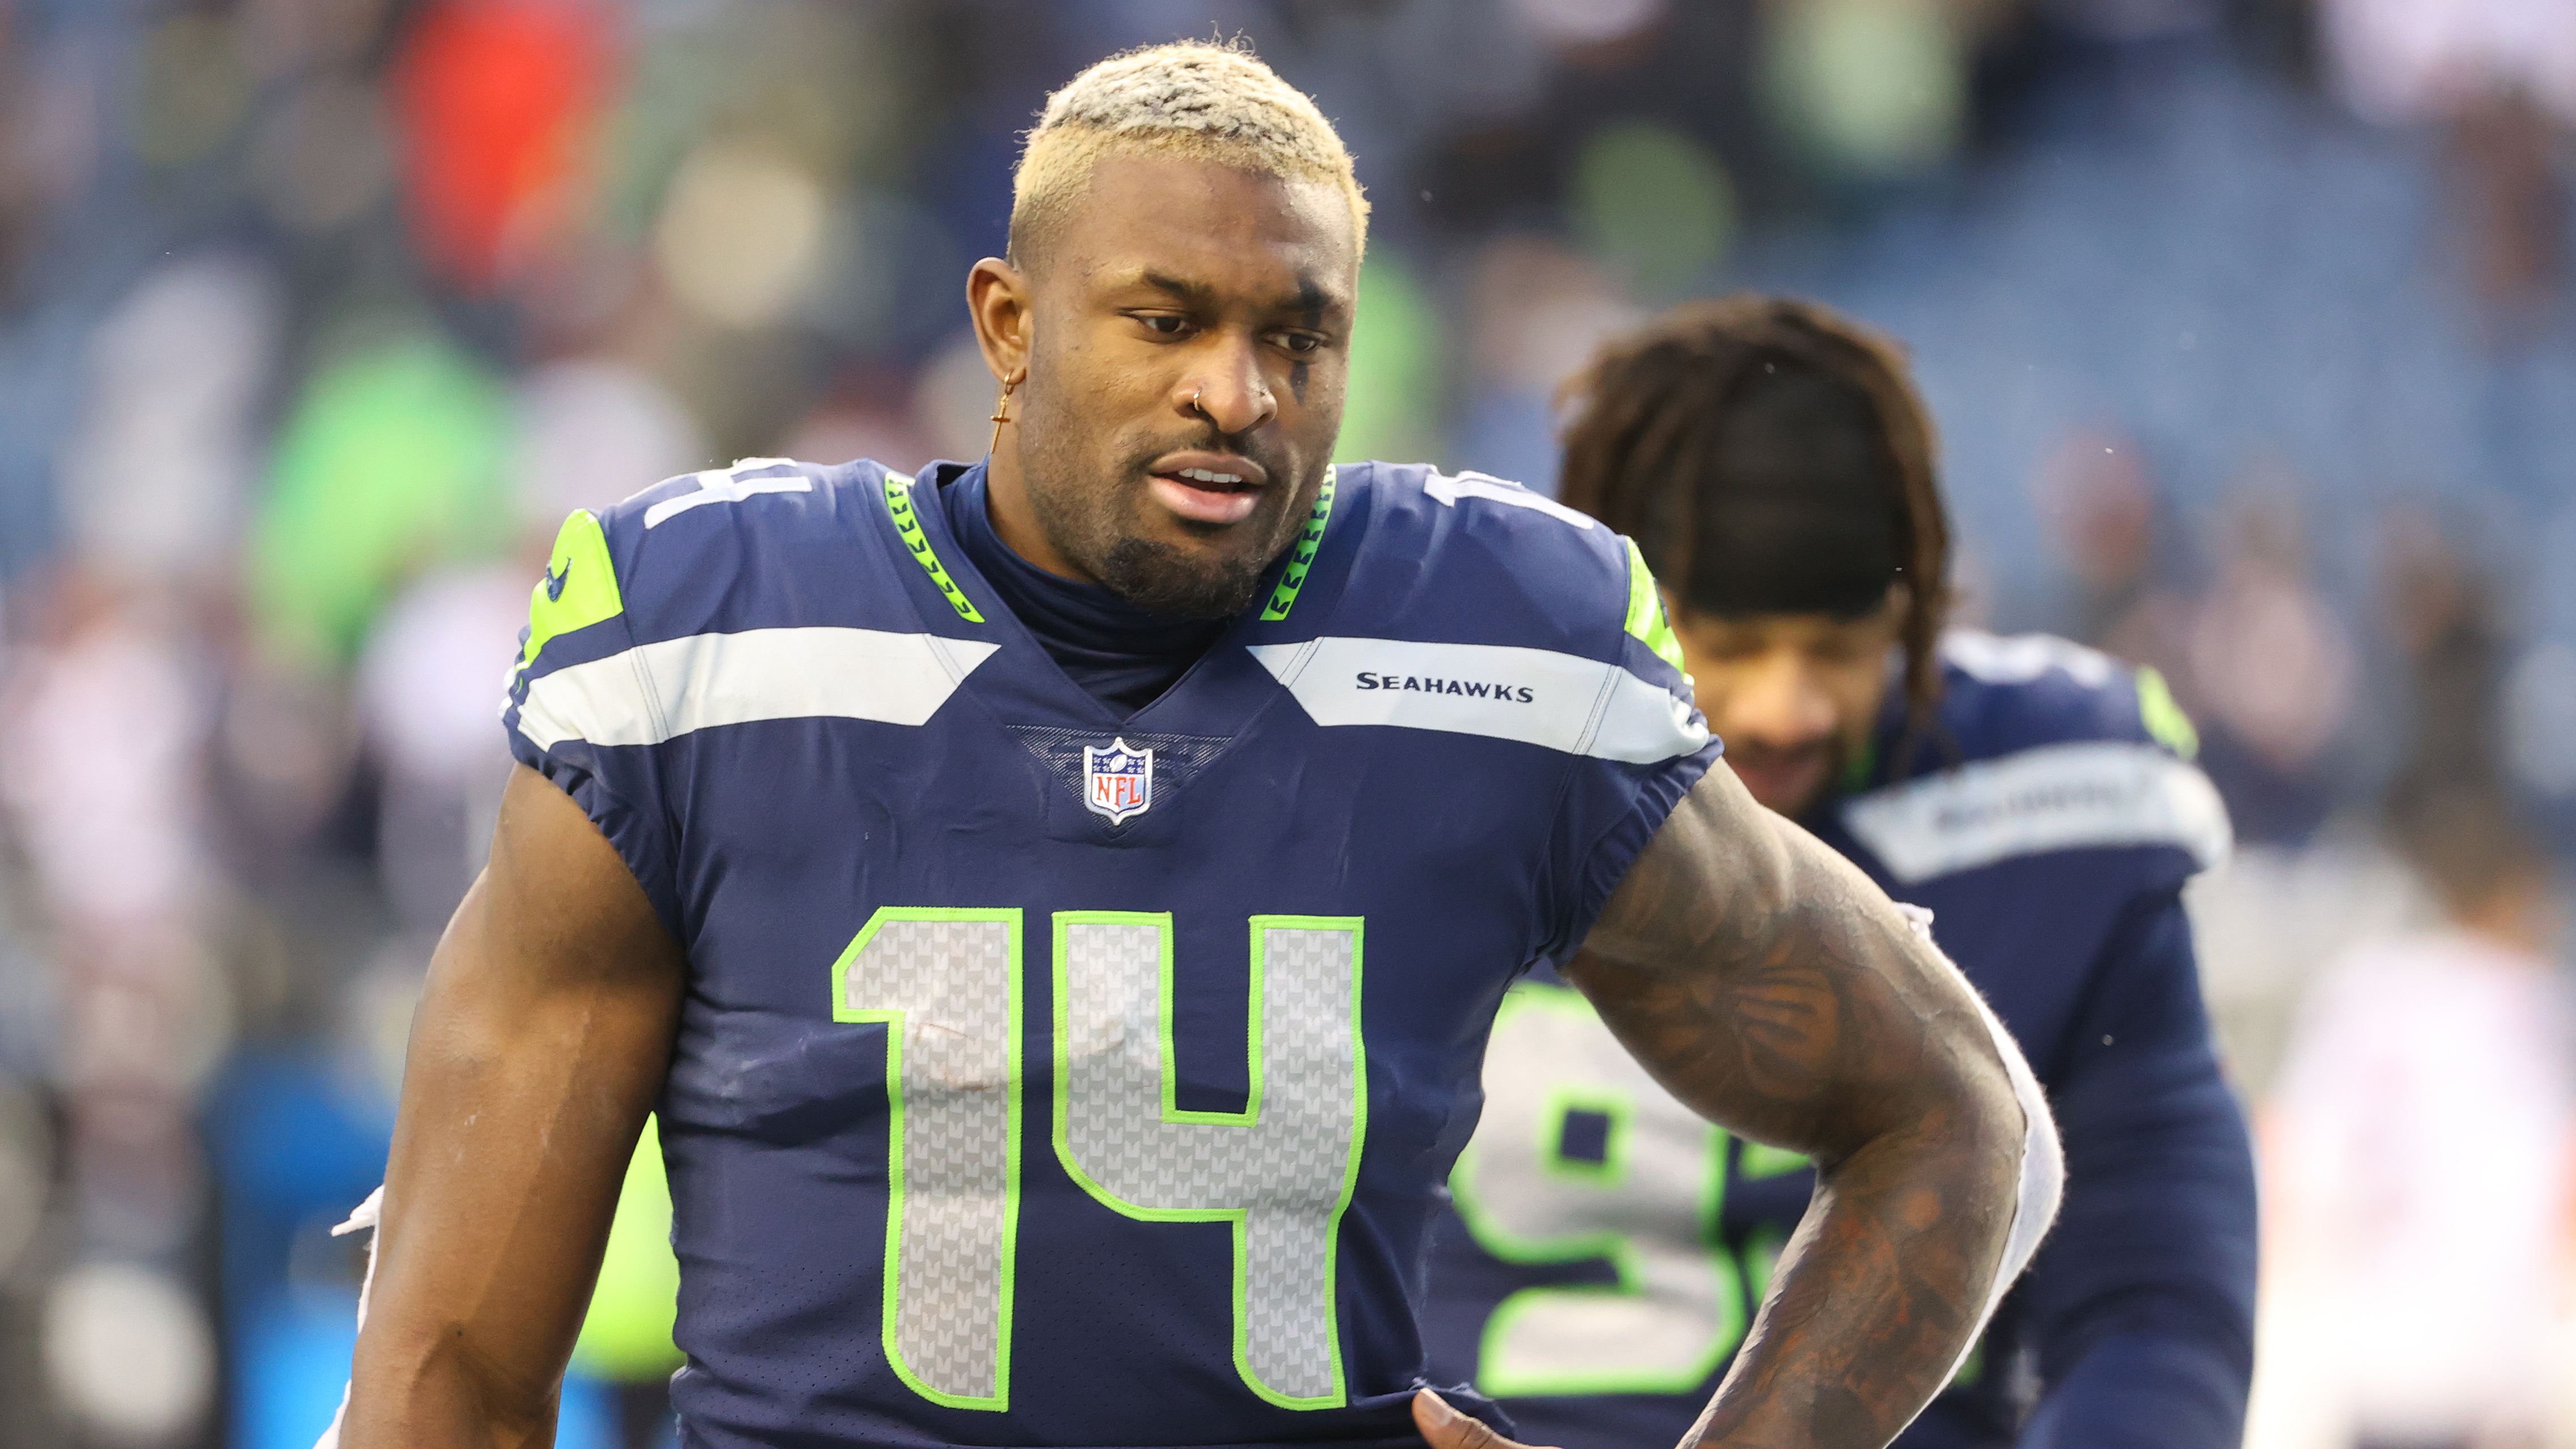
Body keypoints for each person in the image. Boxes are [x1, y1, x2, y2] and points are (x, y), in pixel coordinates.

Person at [323, 45, 2062, 1449]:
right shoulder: (718, 638)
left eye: (1296, 335)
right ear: (1008, 324)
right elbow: (450, 1380)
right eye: (1167, 319)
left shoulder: (1493, 645)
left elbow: (1948, 1113)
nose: (1239, 390)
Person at [1419, 297, 2256, 1449]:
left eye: (1834, 645)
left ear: (1912, 617)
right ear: (1613, 616)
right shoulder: (1438, 766)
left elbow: (2153, 1310)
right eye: (1730, 642)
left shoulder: (2049, 814)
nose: (1783, 706)